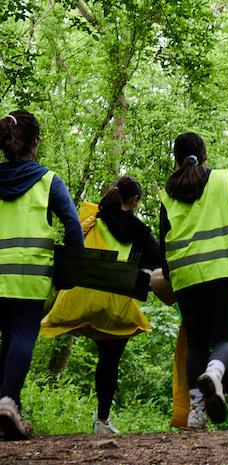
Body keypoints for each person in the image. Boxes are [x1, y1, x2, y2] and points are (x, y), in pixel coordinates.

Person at [41, 176, 161, 435]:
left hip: (84, 298)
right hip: (115, 307)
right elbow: (157, 260)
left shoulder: (94, 218)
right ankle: (102, 420)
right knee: (110, 359)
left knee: (104, 356)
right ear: (135, 200)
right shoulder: (138, 230)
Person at [0, 110, 84, 440]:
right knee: (21, 336)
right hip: (29, 274)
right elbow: (73, 226)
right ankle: (7, 401)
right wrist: (71, 268)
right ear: (35, 142)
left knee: (7, 342)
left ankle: (9, 407)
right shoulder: (48, 181)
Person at [159, 132, 228, 429]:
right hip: (221, 271)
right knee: (224, 339)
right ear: (205, 154)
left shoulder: (167, 193)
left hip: (185, 276)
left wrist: (171, 276)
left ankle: (196, 412)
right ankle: (214, 372)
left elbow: (163, 242)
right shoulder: (222, 180)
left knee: (196, 342)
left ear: (176, 158)